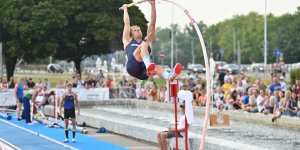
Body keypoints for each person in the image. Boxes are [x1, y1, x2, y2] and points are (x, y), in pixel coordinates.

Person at [121, 0, 181, 81]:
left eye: (139, 29)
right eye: (135, 30)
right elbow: (127, 23)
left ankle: (169, 76)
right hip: (132, 67)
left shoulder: (148, 41)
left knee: (158, 67)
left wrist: (153, 5)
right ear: (131, 34)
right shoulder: (128, 40)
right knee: (144, 45)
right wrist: (125, 10)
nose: (138, 30)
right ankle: (148, 65)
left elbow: (152, 24)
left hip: (143, 72)